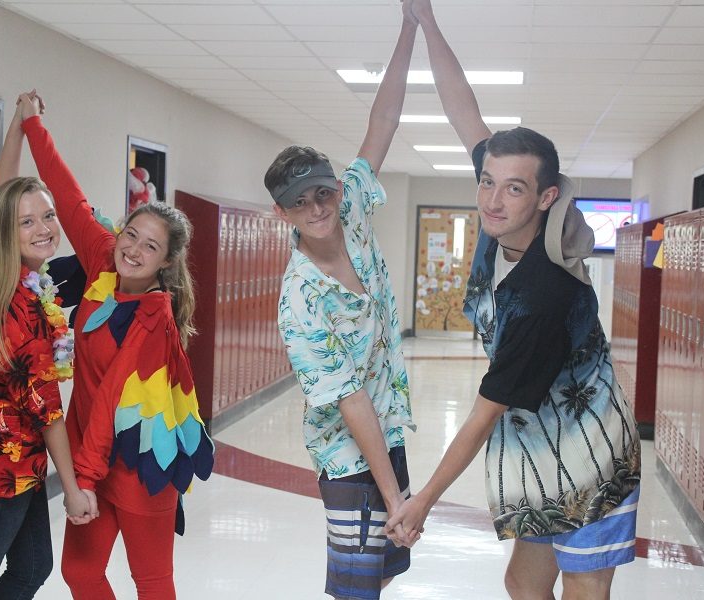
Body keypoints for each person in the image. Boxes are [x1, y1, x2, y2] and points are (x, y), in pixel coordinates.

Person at [385, 2, 642, 598]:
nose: (493, 200)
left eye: (514, 188)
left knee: (584, 585)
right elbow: (463, 109)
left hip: (590, 452)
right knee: (524, 584)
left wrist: (422, 501)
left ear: (546, 196)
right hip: (539, 445)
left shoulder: (541, 297)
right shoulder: (502, 226)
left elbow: (482, 416)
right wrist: (425, 21)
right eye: (486, 182)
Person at [2, 92, 214, 600]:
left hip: (141, 464)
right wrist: (31, 124)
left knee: (152, 582)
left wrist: (82, 481)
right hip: (93, 457)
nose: (134, 250)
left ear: (165, 263)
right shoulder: (103, 262)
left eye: (150, 247)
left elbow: (111, 400)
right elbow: (67, 195)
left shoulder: (154, 319)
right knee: (80, 572)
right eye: (132, 235)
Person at [264, 3, 419, 598]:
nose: (318, 208)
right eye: (301, 202)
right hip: (349, 456)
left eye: (323, 192)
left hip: (389, 429)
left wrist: (409, 30)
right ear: (283, 213)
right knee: (354, 587)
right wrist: (393, 493)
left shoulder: (351, 210)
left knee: (381, 573)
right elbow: (349, 403)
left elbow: (382, 123)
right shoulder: (300, 302)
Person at [0, 99, 95, 599]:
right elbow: (48, 411)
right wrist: (73, 491)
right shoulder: (18, 309)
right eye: (27, 222)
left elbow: (2, 196)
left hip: (13, 456)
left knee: (31, 569)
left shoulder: (21, 276)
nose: (44, 228)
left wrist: (20, 125)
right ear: (8, 230)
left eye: (48, 215)